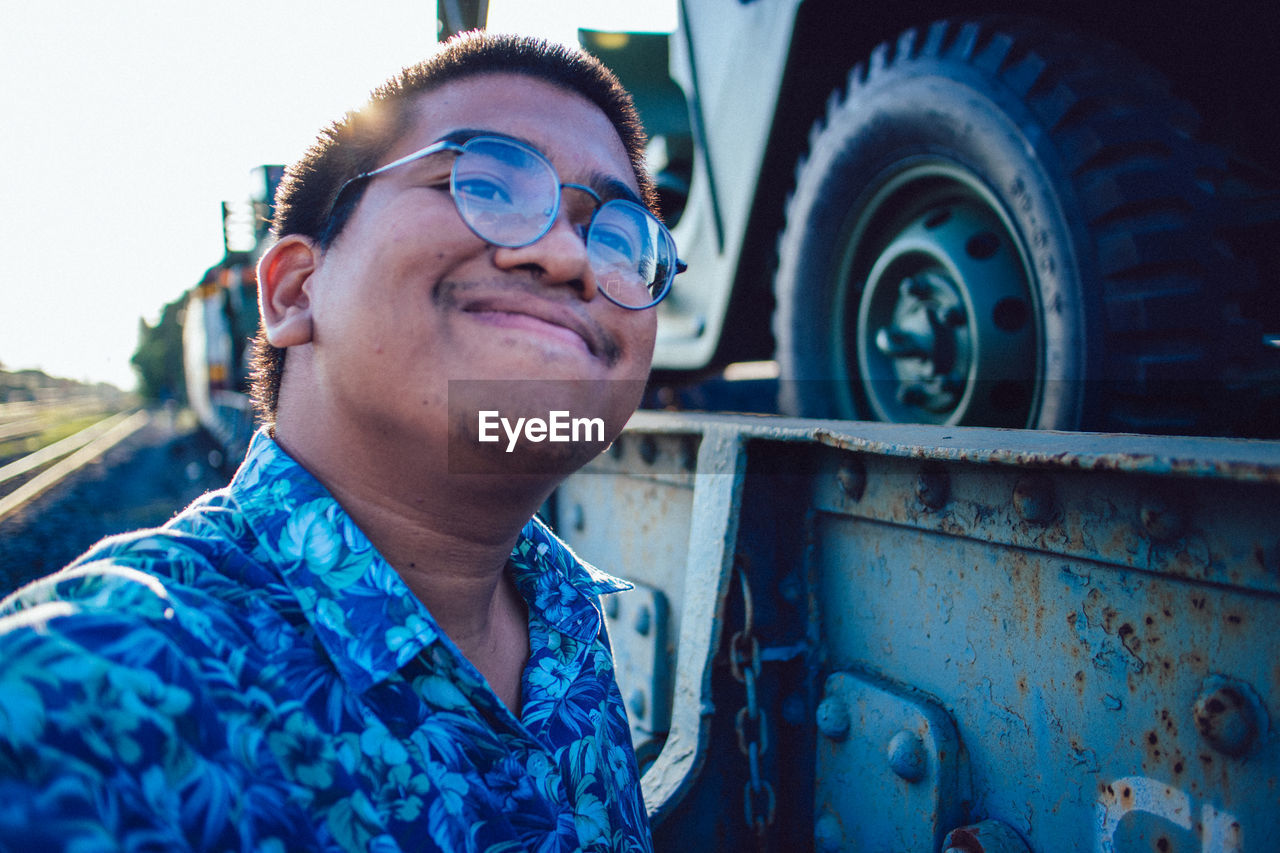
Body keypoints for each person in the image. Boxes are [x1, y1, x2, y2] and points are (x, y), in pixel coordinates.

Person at [0, 31, 681, 852]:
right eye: (490, 183)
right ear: (293, 290)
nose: (572, 255)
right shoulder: (90, 693)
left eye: (618, 237)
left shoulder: (569, 625)